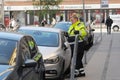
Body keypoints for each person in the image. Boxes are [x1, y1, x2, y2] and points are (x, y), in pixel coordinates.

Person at [68, 13, 88, 77]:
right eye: (70, 19)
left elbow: (84, 32)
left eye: (72, 19)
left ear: (76, 19)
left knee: (77, 59)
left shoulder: (80, 25)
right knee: (78, 59)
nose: (71, 20)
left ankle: (75, 73)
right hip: (73, 44)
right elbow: (70, 33)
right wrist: (67, 34)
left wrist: (78, 32)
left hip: (79, 44)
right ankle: (82, 72)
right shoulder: (72, 26)